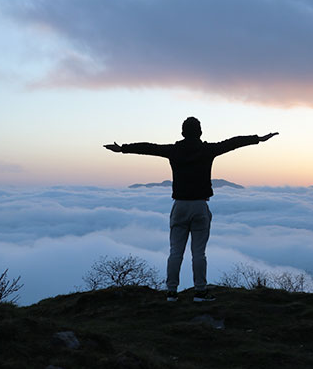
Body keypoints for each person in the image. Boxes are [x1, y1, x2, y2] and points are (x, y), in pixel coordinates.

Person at [104, 117, 277, 302]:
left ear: (182, 132)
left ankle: (171, 292)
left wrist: (122, 148)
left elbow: (149, 148)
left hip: (179, 206)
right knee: (199, 253)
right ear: (200, 132)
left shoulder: (174, 151)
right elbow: (232, 143)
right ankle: (200, 292)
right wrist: (258, 138)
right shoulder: (207, 150)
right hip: (200, 206)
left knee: (175, 252)